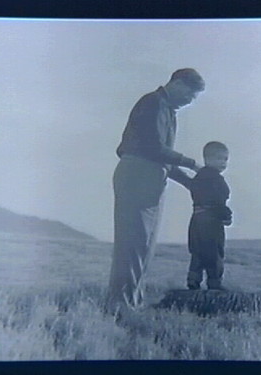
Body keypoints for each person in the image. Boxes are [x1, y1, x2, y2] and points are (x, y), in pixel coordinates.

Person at [106, 68, 206, 311]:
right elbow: (153, 149)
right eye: (190, 95)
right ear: (178, 83)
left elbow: (164, 160)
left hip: (151, 180)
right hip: (137, 177)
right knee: (132, 245)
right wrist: (193, 164)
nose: (189, 102)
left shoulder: (169, 111)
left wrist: (191, 183)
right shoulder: (153, 103)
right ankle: (121, 305)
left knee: (144, 247)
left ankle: (131, 302)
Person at [170, 141, 232, 291]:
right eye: (220, 158)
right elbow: (220, 200)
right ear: (208, 159)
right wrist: (226, 216)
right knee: (215, 252)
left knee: (197, 252)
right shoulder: (217, 180)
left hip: (196, 219)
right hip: (212, 221)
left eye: (225, 159)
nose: (224, 163)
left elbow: (190, 186)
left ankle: (193, 280)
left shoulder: (198, 178)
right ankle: (214, 283)